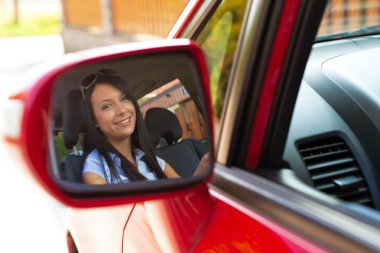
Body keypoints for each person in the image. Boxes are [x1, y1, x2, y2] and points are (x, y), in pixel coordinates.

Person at [80, 69, 209, 185]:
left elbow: (184, 192)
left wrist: (203, 169)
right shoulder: (95, 169)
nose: (122, 110)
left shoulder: (150, 158)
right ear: (94, 120)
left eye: (124, 98)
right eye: (106, 106)